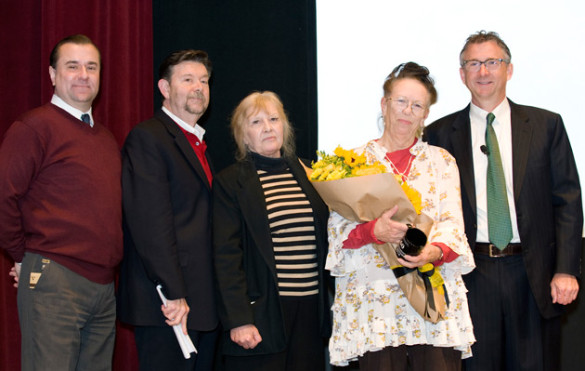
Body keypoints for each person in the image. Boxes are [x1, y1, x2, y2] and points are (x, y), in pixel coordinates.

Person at [424, 31, 583, 371]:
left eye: (492, 62)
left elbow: (567, 200)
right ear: (462, 73)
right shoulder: (439, 133)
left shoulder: (545, 125)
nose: (484, 72)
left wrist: (567, 269)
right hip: (470, 273)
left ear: (508, 70)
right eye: (473, 63)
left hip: (533, 273)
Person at [327, 62, 475, 370]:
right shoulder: (351, 162)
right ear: (384, 104)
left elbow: (452, 224)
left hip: (431, 299)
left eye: (417, 105)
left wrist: (434, 251)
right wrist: (374, 231)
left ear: (426, 114)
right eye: (401, 101)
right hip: (375, 306)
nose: (407, 111)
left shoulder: (442, 162)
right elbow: (338, 233)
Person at [0, 34, 122, 371]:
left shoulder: (106, 138)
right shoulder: (34, 127)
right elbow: (3, 196)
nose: (83, 74)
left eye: (91, 67)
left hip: (103, 287)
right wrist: (24, 258)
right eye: (72, 66)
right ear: (53, 75)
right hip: (55, 280)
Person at [213, 91, 331, 370]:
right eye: (256, 122)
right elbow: (226, 256)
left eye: (274, 119)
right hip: (262, 314)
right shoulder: (230, 183)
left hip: (310, 315)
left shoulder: (311, 174)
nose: (267, 127)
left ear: (284, 127)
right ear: (243, 136)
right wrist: (239, 319)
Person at [117, 49, 218, 370]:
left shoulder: (198, 143)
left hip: (200, 303)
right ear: (164, 88)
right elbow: (149, 224)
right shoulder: (148, 138)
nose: (199, 87)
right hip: (167, 304)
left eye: (203, 80)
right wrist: (173, 293)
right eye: (187, 80)